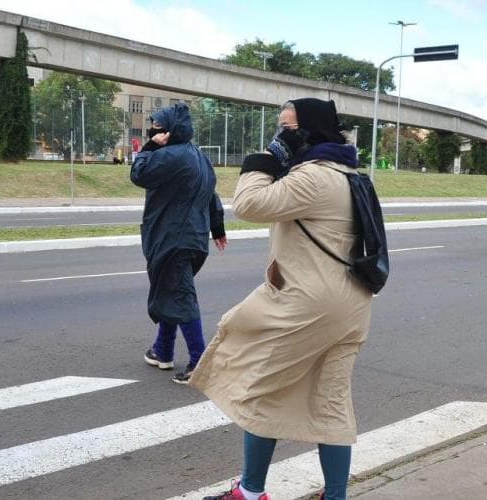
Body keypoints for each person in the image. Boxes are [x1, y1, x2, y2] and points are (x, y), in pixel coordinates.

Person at [189, 98, 373, 500]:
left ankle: (250, 491)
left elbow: (249, 205)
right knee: (331, 400)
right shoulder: (352, 174)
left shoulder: (314, 177)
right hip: (351, 305)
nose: (281, 134)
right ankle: (336, 496)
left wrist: (266, 157)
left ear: (308, 130)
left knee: (263, 387)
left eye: (287, 128)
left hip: (307, 303)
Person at [131, 102, 227, 384]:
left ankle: (199, 361)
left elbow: (139, 174)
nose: (153, 131)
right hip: (193, 238)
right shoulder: (199, 156)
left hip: (173, 238)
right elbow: (212, 195)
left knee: (181, 296)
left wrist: (148, 147)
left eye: (158, 127)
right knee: (170, 291)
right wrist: (218, 227)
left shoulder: (170, 155)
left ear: (171, 130)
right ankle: (162, 350)